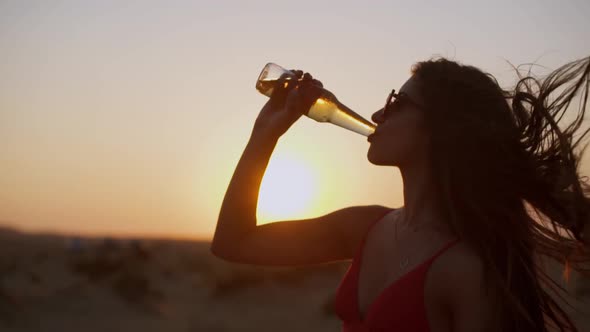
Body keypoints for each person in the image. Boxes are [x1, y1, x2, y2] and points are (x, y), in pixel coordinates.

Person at [211, 56, 590, 332]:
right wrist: (265, 135)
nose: (378, 114)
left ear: (443, 128)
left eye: (397, 102)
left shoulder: (469, 271)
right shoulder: (367, 226)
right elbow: (234, 243)